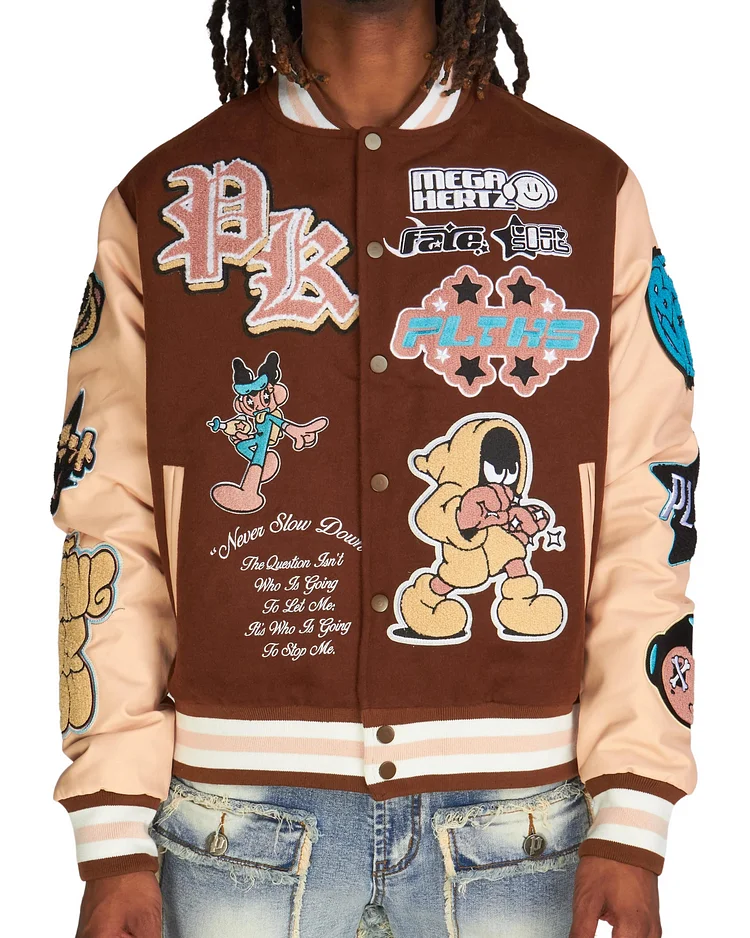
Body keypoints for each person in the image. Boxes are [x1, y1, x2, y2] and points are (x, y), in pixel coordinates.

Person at [53, 1, 698, 936]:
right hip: (231, 823)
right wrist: (112, 827)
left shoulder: (586, 191)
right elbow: (106, 513)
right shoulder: (166, 199)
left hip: (523, 825)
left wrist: (634, 809)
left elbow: (650, 500)